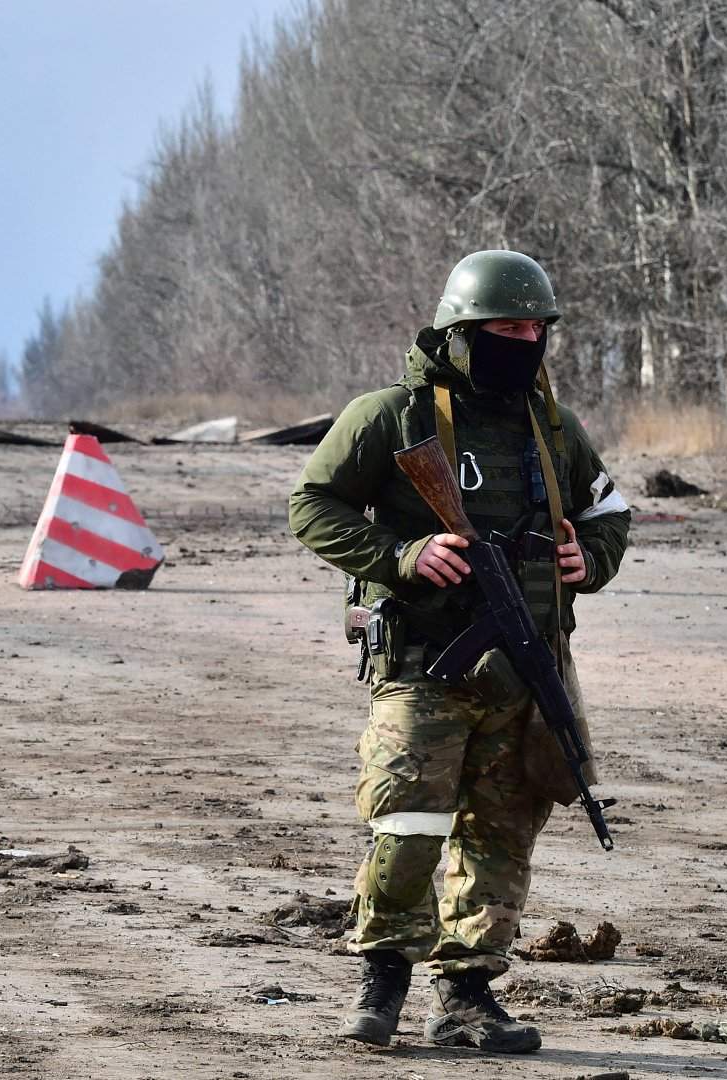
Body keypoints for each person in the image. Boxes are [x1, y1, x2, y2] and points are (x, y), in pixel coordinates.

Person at [286, 250, 631, 1053]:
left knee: (504, 832)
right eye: (506, 329)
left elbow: (610, 513)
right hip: (424, 662)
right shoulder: (390, 416)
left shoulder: (552, 427)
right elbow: (312, 505)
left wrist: (593, 560)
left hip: (527, 665)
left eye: (535, 329)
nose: (525, 341)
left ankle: (470, 996)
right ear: (461, 333)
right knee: (406, 825)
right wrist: (403, 557)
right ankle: (383, 983)